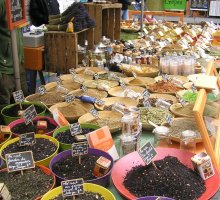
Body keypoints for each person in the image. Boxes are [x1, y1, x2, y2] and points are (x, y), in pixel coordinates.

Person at [0, 0, 28, 109]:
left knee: (23, 100)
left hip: (18, 62)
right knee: (4, 106)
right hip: (4, 68)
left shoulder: (17, 2)